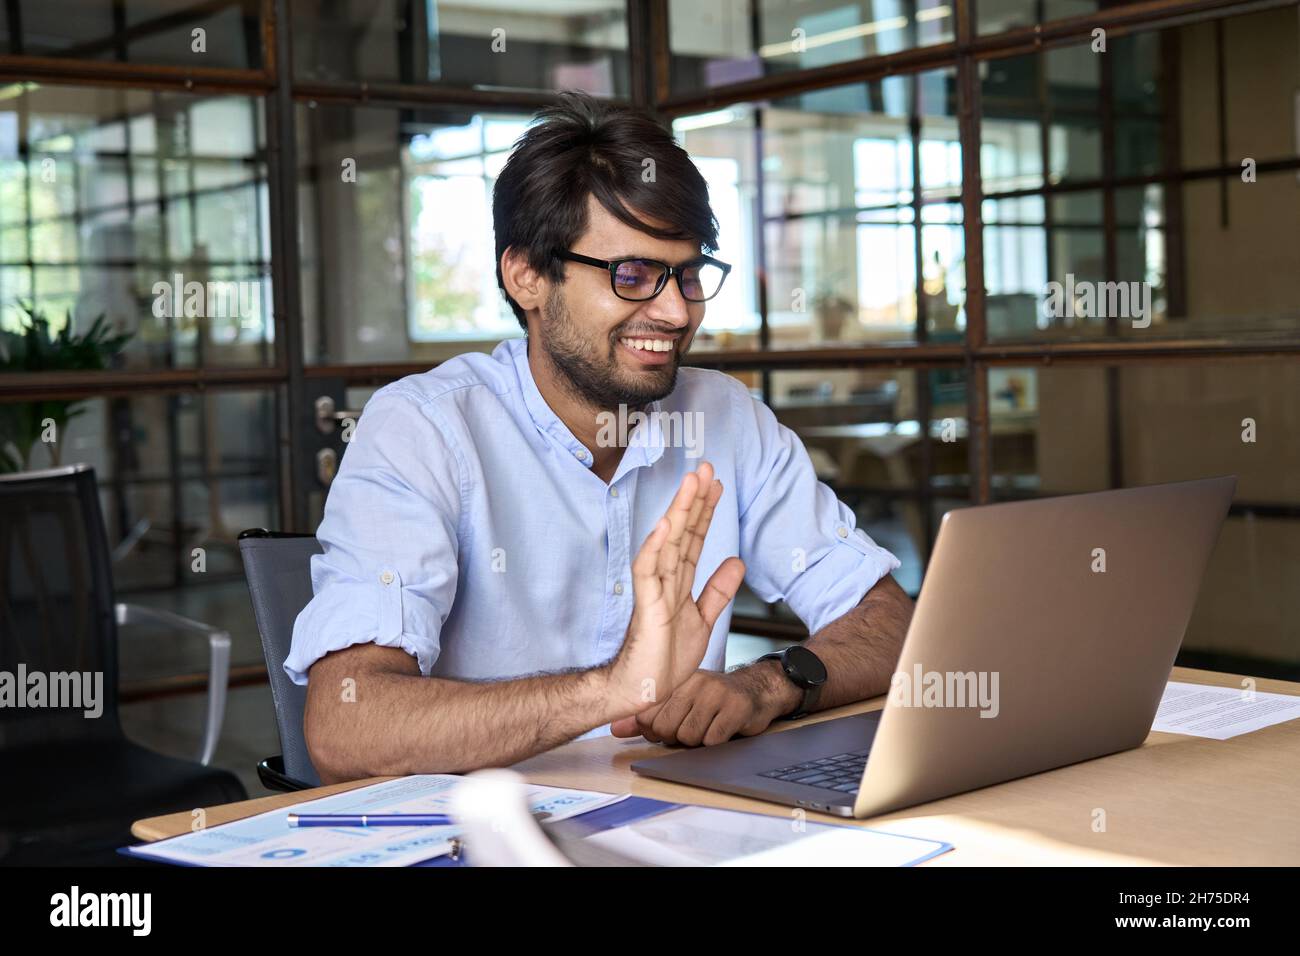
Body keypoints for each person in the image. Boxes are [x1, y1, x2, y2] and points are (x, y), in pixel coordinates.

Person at [287, 91, 914, 783]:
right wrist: (614, 689)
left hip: (686, 820)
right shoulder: (426, 429)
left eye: (688, 274)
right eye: (633, 275)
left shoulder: (726, 418)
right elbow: (347, 726)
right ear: (527, 276)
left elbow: (892, 625)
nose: (675, 312)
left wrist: (767, 684)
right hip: (486, 836)